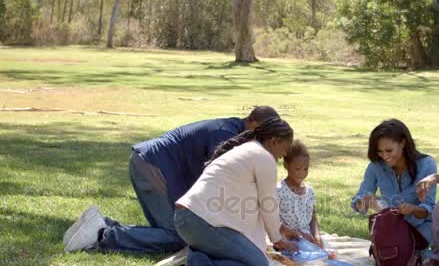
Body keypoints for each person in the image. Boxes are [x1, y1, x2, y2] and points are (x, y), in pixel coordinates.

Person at [63, 106, 279, 254]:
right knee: (178, 235)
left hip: (153, 163)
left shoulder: (234, 131)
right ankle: (103, 235)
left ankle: (102, 224)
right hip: (153, 166)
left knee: (177, 230)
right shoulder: (226, 135)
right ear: (251, 121)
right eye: (261, 131)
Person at [174, 117, 299, 266]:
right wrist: (278, 240)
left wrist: (280, 229)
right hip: (199, 222)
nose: (285, 154)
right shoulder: (264, 157)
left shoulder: (248, 149)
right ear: (274, 141)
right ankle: (196, 260)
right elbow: (268, 204)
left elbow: (256, 204)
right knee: (259, 265)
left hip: (189, 219)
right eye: (285, 147)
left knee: (255, 257)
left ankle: (203, 252)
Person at [351, 119, 437, 244]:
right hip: (390, 229)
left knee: (419, 260)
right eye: (379, 151)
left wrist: (413, 209)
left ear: (403, 143)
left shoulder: (426, 164)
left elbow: (429, 209)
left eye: (389, 150)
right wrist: (363, 202)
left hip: (420, 232)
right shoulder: (376, 166)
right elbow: (360, 199)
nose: (384, 156)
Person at [277, 140, 323, 247]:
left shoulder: (309, 191)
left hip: (308, 237)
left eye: (305, 169)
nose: (301, 173)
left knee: (328, 253)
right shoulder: (279, 190)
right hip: (287, 237)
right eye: (297, 169)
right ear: (286, 165)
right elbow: (273, 221)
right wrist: (299, 235)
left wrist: (317, 235)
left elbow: (312, 217)